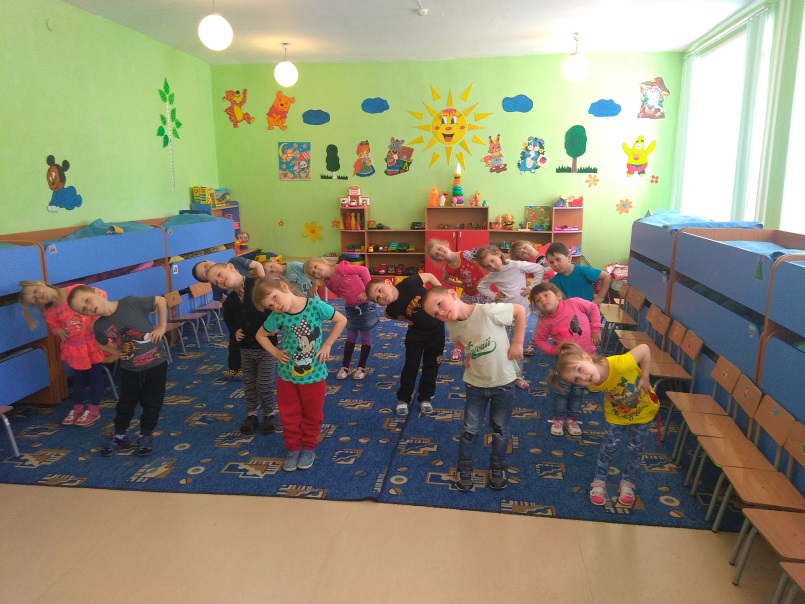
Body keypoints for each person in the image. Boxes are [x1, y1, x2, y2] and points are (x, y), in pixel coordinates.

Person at [423, 286, 526, 491]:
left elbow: (520, 311)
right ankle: (465, 468)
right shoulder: (453, 326)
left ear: (452, 293)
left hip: (503, 383)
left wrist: (518, 343)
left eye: (440, 304)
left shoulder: (488, 311)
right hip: (475, 385)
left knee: (500, 430)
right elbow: (463, 341)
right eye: (435, 314)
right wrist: (468, 355)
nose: (441, 313)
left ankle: (497, 466)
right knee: (470, 429)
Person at [253, 275, 347, 471]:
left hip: (315, 375)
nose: (275, 306)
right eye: (270, 305)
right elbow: (260, 335)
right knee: (289, 413)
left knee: (312, 413)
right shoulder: (278, 316)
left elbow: (341, 320)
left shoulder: (315, 305)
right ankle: (294, 448)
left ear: (284, 286)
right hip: (288, 375)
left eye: (275, 298)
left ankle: (309, 447)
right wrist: (276, 353)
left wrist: (328, 344)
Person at [550, 341, 659, 507]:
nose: (583, 378)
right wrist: (614, 398)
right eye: (576, 380)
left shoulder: (620, 364)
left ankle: (628, 482)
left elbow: (644, 349)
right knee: (608, 447)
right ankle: (599, 481)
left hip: (642, 411)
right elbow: (606, 391)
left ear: (587, 357)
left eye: (580, 369)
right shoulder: (593, 385)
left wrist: (645, 377)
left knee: (636, 449)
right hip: (617, 414)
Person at [68, 285, 170, 457]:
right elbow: (99, 342)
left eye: (87, 300)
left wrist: (161, 326)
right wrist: (116, 352)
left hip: (156, 362)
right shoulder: (100, 325)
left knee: (153, 401)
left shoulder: (130, 302)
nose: (89, 307)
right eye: (83, 309)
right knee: (125, 403)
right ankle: (120, 436)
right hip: (130, 368)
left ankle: (146, 435)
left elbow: (161, 300)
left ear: (98, 293)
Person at [20, 280, 109, 427]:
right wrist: (58, 330)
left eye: (36, 291)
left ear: (40, 283)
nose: (39, 297)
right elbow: (54, 325)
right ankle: (77, 409)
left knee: (95, 376)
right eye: (35, 300)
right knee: (79, 379)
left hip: (91, 343)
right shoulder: (51, 310)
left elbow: (101, 294)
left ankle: (94, 409)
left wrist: (97, 318)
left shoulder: (74, 291)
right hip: (76, 348)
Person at [207, 263, 278, 435]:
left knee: (264, 384)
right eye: (215, 282)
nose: (219, 281)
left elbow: (275, 308)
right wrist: (235, 330)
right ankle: (252, 415)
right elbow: (229, 319)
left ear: (231, 267)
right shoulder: (231, 299)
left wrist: (277, 326)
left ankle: (269, 414)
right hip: (246, 348)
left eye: (219, 274)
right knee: (249, 384)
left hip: (266, 347)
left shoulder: (257, 285)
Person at [528, 282, 602, 437]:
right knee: (563, 390)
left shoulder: (575, 303)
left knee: (578, 391)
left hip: (586, 358)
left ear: (558, 296)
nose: (543, 300)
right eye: (538, 300)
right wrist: (553, 350)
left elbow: (593, 308)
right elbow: (539, 340)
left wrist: (596, 328)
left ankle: (572, 419)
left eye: (546, 295)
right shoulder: (546, 322)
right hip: (566, 363)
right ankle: (559, 419)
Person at [365, 273, 445, 417]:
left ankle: (425, 397)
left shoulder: (408, 283)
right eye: (377, 299)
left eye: (380, 290)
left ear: (388, 282)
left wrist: (441, 294)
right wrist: (404, 319)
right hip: (415, 335)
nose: (381, 296)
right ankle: (404, 397)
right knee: (411, 366)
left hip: (436, 331)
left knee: (432, 365)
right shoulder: (391, 309)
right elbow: (387, 314)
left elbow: (429, 276)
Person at [476, 244, 545, 390]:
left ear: (498, 253)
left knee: (517, 345)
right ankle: (501, 372)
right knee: (501, 344)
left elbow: (539, 269)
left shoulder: (517, 265)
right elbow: (481, 287)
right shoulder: (492, 275)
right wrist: (494, 295)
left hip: (521, 316)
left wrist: (532, 288)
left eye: (493, 260)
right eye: (488, 266)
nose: (492, 266)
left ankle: (517, 376)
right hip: (503, 314)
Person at [193, 256, 266, 381]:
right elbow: (226, 313)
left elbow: (257, 265)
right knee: (237, 342)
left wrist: (264, 283)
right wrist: (233, 306)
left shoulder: (237, 265)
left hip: (259, 318)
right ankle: (236, 367)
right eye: (206, 274)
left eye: (205, 266)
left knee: (262, 362)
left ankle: (248, 367)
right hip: (241, 316)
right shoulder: (229, 296)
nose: (219, 280)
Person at [305, 257, 378, 380]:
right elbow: (339, 292)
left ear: (323, 262)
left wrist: (368, 291)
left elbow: (364, 270)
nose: (316, 271)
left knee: (365, 336)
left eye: (316, 266)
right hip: (351, 309)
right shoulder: (328, 282)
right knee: (350, 337)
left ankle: (362, 367)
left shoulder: (341, 268)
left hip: (365, 307)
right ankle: (345, 366)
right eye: (313, 272)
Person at [425, 238, 488, 363]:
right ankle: (458, 348)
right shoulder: (448, 269)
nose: (440, 253)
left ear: (445, 244)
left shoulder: (465, 255)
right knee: (461, 322)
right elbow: (446, 279)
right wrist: (460, 285)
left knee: (484, 319)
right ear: (438, 260)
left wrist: (488, 277)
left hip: (483, 293)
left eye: (439, 249)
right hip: (468, 295)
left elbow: (483, 260)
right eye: (436, 255)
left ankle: (484, 344)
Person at [545, 242, 611, 306]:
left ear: (569, 257)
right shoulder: (553, 282)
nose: (555, 264)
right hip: (569, 312)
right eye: (551, 262)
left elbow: (607, 276)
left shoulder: (583, 271)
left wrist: (600, 297)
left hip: (588, 310)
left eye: (558, 259)